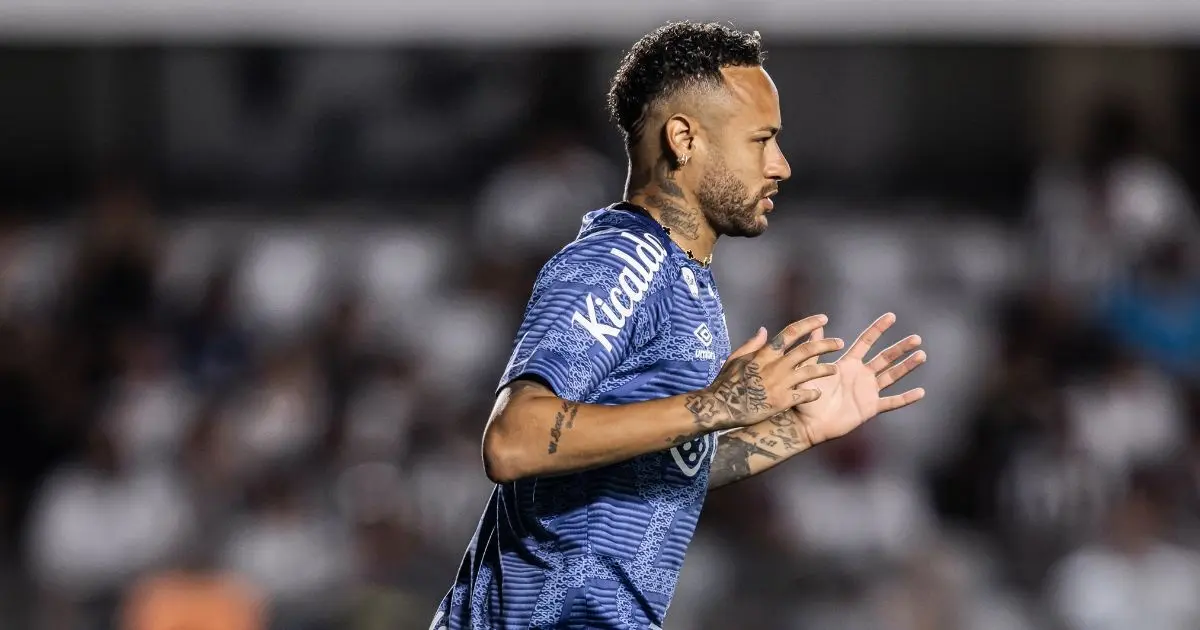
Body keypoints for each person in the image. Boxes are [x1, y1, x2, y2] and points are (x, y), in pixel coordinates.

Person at [431, 21, 928, 630]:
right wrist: (716, 405)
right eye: (761, 140)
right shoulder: (621, 263)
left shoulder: (685, 281)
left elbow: (655, 473)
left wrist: (797, 429)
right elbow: (513, 440)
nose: (781, 166)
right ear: (684, 138)